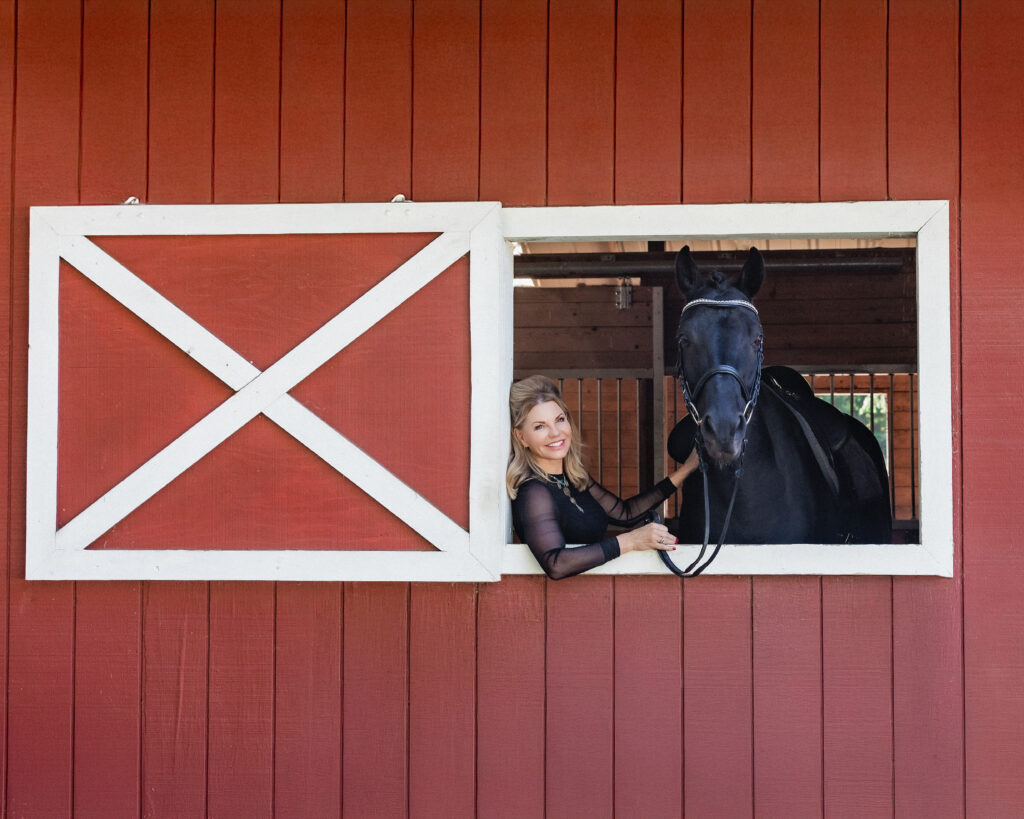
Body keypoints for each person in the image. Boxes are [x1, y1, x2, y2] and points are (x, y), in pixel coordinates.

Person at [507, 375, 700, 580]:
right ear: (521, 437)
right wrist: (631, 541)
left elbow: (625, 514)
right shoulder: (533, 491)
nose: (555, 433)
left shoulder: (574, 478)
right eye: (540, 426)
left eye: (559, 420)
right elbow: (556, 564)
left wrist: (686, 470)